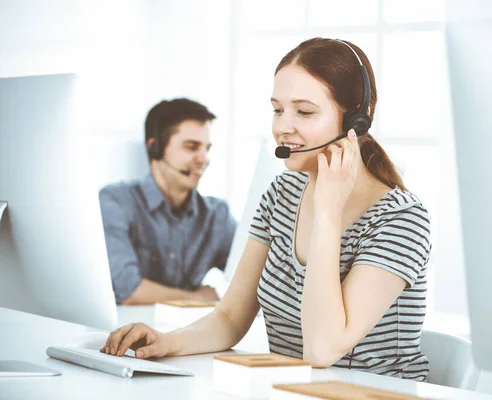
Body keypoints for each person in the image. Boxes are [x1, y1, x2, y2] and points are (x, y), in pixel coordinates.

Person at [101, 38, 431, 380]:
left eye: (304, 111)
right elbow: (230, 317)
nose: (282, 127)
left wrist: (328, 216)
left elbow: (321, 350)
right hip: (293, 391)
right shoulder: (282, 194)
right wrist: (165, 342)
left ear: (358, 119)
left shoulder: (401, 219)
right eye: (277, 109)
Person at [99, 98, 237, 305]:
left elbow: (254, 274)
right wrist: (195, 298)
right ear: (155, 148)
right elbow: (128, 289)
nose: (204, 159)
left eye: (207, 149)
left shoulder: (217, 214)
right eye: (192, 147)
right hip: (127, 333)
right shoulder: (116, 202)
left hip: (184, 335)